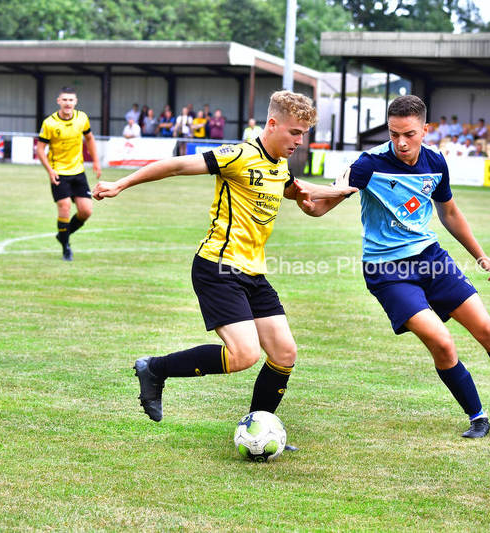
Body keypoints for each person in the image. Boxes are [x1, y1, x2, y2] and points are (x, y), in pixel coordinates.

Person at [298, 95, 490, 438]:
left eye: (409, 134)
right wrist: (306, 202)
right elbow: (323, 204)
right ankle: (478, 416)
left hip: (431, 259)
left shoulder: (435, 162)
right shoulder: (368, 164)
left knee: (488, 330)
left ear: (425, 130)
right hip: (387, 272)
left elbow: (450, 212)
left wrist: (482, 256)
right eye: (394, 134)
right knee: (443, 343)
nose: (401, 142)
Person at [91, 91, 357, 431]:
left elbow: (295, 190)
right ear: (272, 124)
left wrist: (339, 190)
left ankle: (258, 428)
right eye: (294, 132)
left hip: (253, 272)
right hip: (218, 267)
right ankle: (155, 368)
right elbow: (176, 165)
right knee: (244, 354)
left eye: (303, 134)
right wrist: (121, 183)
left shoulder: (279, 164)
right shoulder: (239, 155)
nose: (299, 141)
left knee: (284, 353)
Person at [35, 87, 101, 261]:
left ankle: (63, 235)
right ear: (59, 101)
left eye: (71, 100)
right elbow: (40, 149)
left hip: (78, 172)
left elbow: (89, 138)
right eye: (64, 99)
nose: (67, 103)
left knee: (86, 211)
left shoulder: (82, 118)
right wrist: (50, 170)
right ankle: (66, 248)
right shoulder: (49, 123)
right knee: (64, 206)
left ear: (75, 102)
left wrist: (96, 161)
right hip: (58, 172)